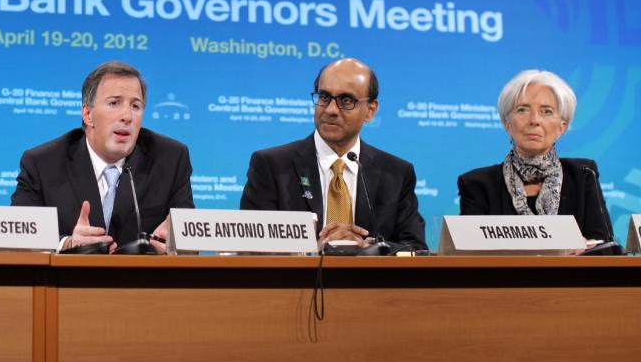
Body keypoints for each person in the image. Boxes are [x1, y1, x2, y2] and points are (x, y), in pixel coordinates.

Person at [241, 58, 426, 251]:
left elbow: (415, 249)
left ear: (370, 110)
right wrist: (314, 252)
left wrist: (368, 249)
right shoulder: (272, 166)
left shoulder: (396, 173)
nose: (330, 110)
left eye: (346, 101)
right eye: (324, 97)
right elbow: (251, 247)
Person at [12, 61, 194, 252]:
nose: (127, 116)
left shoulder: (170, 159)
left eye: (135, 106)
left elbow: (190, 242)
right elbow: (19, 237)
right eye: (114, 103)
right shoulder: (43, 163)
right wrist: (68, 244)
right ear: (87, 114)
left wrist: (175, 244)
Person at [458, 70, 613, 241]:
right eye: (522, 110)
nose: (534, 120)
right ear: (507, 123)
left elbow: (606, 250)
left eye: (546, 111)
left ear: (562, 127)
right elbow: (470, 255)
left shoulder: (583, 174)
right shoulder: (476, 184)